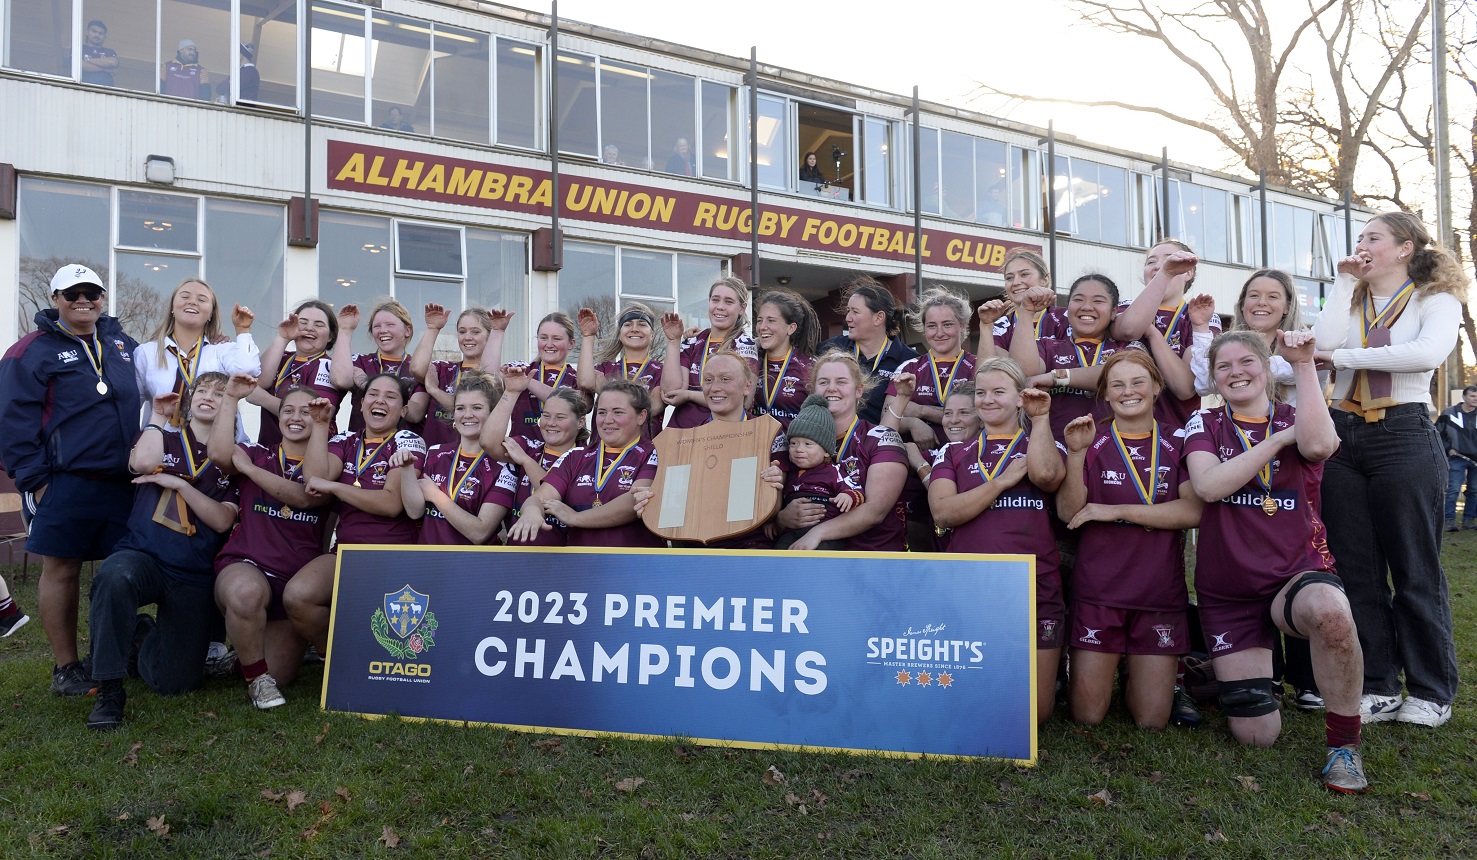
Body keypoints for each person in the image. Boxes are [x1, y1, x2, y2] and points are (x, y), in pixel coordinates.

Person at [1184, 330, 1367, 793]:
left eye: (1247, 362)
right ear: (1214, 379)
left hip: (1295, 573)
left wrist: (1304, 363)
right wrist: (1275, 440)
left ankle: (1344, 747)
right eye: (1223, 367)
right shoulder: (1202, 423)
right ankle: (1209, 675)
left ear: (1266, 369)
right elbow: (1208, 487)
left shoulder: (1297, 413)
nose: (1236, 372)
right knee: (1256, 736)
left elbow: (1320, 447)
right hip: (1228, 589)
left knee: (1331, 615)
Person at [1313, 211, 1466, 728]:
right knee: (1355, 567)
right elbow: (1320, 345)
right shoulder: (1352, 297)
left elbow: (1424, 355)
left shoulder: (1434, 299)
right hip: (1342, 431)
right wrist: (1341, 281)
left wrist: (1341, 356)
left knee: (1414, 567)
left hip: (1402, 431)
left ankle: (1430, 689)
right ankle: (1376, 684)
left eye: (1373, 238)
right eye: (1359, 238)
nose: (1362, 245)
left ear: (1404, 249)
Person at [0, 263, 142, 696]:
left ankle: (119, 651)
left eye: (92, 293)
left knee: (125, 568)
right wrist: (35, 481)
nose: (84, 300)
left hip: (124, 480)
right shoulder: (31, 350)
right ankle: (67, 667)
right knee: (62, 569)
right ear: (56, 298)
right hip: (62, 480)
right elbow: (12, 420)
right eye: (73, 293)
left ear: (103, 298)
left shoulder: (123, 344)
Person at [1056, 351, 1202, 730]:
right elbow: (1068, 513)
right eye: (1117, 385)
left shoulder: (1180, 439)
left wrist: (1115, 510)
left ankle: (1145, 671)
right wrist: (1075, 455)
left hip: (1157, 592)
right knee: (1087, 716)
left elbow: (1192, 512)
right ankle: (1110, 666)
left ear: (1156, 387)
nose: (1128, 392)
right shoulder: (1091, 437)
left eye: (1138, 382)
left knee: (1151, 721)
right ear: (1104, 394)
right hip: (1099, 591)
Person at [85, 374, 240, 730]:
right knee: (115, 575)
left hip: (192, 572)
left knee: (176, 683)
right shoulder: (163, 438)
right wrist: (156, 415)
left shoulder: (230, 458)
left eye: (219, 394)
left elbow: (220, 521)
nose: (208, 397)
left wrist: (176, 484)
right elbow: (142, 464)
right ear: (190, 399)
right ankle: (109, 689)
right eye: (202, 390)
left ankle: (140, 635)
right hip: (144, 556)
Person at [930, 358, 1065, 721]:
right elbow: (942, 512)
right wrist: (1001, 482)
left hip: (1034, 580)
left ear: (1020, 397)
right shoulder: (954, 452)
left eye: (999, 392)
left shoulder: (1043, 443)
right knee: (971, 702)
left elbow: (1048, 477)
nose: (987, 400)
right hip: (971, 581)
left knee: (1037, 714)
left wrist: (1039, 420)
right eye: (981, 392)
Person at [208, 375, 339, 709]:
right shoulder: (257, 451)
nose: (295, 417)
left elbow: (305, 498)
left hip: (294, 580)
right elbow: (220, 453)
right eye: (288, 411)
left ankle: (242, 660)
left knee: (281, 672)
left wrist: (251, 472)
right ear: (277, 418)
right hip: (246, 565)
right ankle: (258, 681)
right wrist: (232, 398)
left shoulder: (326, 468)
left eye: (305, 412)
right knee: (246, 594)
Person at [285, 373, 424, 655]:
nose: (380, 401)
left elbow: (390, 504)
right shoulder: (347, 439)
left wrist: (334, 487)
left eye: (390, 396)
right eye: (373, 394)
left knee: (387, 631)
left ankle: (361, 660)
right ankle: (339, 659)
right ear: (360, 404)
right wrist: (321, 424)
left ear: (405, 410)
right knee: (298, 596)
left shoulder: (408, 440)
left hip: (393, 556)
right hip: (346, 553)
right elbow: (314, 479)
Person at [771, 352, 908, 552]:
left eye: (841, 382)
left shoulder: (881, 437)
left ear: (859, 390)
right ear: (813, 391)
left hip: (872, 557)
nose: (831, 388)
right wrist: (781, 518)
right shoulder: (793, 440)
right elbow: (774, 499)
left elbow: (875, 511)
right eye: (823, 382)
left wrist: (818, 533)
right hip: (803, 554)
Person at [508, 379, 661, 548]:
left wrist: (575, 518)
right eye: (602, 412)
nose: (608, 420)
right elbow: (539, 498)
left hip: (635, 564)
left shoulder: (656, 453)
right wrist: (531, 513)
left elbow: (634, 501)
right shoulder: (576, 456)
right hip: (581, 566)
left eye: (618, 412)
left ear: (641, 416)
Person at [882, 286, 976, 549]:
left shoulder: (978, 365)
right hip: (917, 467)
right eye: (932, 326)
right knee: (920, 541)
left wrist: (919, 409)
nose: (939, 332)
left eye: (948, 324)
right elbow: (888, 418)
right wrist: (915, 421)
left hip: (965, 466)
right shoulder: (910, 366)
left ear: (963, 326)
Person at [1002, 273, 1146, 442]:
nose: (1087, 307)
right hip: (1054, 453)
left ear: (1114, 311)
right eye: (1078, 299)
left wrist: (1055, 377)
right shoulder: (1047, 346)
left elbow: (1120, 374)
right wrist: (1026, 311)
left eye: (1098, 301)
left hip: (1111, 455)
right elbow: (1023, 372)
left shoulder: (1126, 347)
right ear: (1068, 307)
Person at [1110, 239, 1219, 428]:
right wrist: (1165, 274)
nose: (1159, 266)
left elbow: (1185, 388)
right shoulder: (1126, 307)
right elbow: (1128, 330)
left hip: (1178, 432)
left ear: (1189, 272)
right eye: (1151, 262)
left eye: (1170, 260)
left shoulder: (1201, 315)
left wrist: (1152, 333)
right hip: (1119, 431)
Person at [133, 277, 259, 441]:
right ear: (172, 306)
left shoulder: (220, 351)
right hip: (162, 452)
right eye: (185, 297)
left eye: (202, 299)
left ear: (211, 313)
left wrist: (242, 330)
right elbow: (132, 406)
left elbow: (248, 370)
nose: (192, 302)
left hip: (215, 452)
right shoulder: (146, 353)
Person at [396, 371, 507, 545]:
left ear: (492, 413)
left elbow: (479, 533)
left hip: (474, 565)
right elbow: (414, 512)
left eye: (477, 408)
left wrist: (436, 496)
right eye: (460, 408)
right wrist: (406, 469)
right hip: (430, 562)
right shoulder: (435, 453)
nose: (467, 415)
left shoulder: (503, 465)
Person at [484, 368, 591, 547]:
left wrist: (526, 461)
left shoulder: (587, 458)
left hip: (564, 560)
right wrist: (511, 393)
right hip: (518, 554)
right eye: (546, 416)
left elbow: (555, 497)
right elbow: (488, 442)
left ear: (580, 422)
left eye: (560, 417)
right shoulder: (529, 446)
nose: (551, 423)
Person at [1188, 270, 1306, 404]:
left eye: (1272, 297)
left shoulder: (1301, 341)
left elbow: (1302, 367)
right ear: (1243, 305)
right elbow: (1204, 383)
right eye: (1254, 295)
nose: (1261, 302)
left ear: (1287, 307)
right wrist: (1201, 327)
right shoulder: (1227, 344)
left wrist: (1229, 368)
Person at [816, 276, 917, 425]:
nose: (848, 318)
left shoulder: (909, 360)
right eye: (848, 311)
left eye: (855, 312)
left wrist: (913, 423)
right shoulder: (831, 349)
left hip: (877, 444)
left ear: (878, 318)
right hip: (833, 442)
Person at [661, 276, 759, 428]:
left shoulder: (744, 344)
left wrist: (688, 395)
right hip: (683, 431)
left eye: (729, 302)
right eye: (715, 300)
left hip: (723, 432)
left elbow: (744, 400)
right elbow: (671, 391)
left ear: (742, 308)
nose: (720, 306)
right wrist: (674, 342)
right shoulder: (692, 341)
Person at [330, 300, 434, 436]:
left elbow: (415, 414)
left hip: (403, 450)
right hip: (361, 449)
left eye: (390, 325)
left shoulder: (417, 367)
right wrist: (345, 330)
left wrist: (366, 383)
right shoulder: (361, 361)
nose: (383, 330)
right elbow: (341, 380)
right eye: (377, 326)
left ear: (407, 331)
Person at [772, 395, 863, 550]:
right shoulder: (789, 473)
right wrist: (773, 523)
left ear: (827, 451)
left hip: (825, 534)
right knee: (780, 556)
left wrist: (848, 496)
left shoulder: (834, 471)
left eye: (808, 444)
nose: (799, 449)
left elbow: (857, 490)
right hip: (792, 532)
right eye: (793, 443)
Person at [255, 300, 340, 448]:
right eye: (303, 322)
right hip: (269, 451)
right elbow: (259, 382)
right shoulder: (280, 357)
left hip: (308, 456)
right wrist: (283, 337)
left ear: (331, 336)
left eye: (318, 325)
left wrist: (261, 397)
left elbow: (317, 414)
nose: (309, 328)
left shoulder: (328, 365)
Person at [425, 307, 508, 450]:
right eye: (462, 332)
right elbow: (415, 368)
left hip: (477, 459)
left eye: (475, 332)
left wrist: (434, 390)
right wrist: (432, 329)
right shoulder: (442, 368)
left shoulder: (500, 375)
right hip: (437, 457)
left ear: (489, 335)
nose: (467, 337)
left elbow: (470, 404)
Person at [489, 311, 577, 446]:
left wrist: (527, 381)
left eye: (556, 339)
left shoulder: (577, 378)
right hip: (522, 453)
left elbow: (569, 403)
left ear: (571, 343)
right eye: (543, 338)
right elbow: (490, 376)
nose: (549, 344)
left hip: (564, 457)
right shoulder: (521, 369)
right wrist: (497, 332)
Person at [577, 303, 664, 438]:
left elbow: (654, 407)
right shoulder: (606, 368)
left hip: (642, 452)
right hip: (602, 452)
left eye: (642, 324)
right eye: (628, 324)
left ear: (652, 334)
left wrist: (605, 389)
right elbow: (584, 382)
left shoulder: (660, 371)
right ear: (620, 334)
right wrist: (588, 336)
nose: (634, 329)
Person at [754, 289, 821, 429]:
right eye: (760, 320)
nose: (762, 327)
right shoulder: (752, 360)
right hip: (753, 448)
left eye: (771, 320)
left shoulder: (809, 367)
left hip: (792, 449)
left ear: (791, 328)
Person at [980, 249, 1070, 353]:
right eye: (1009, 278)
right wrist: (986, 325)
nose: (1015, 282)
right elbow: (987, 366)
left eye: (1024, 274)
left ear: (1045, 279)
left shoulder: (1066, 318)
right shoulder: (1000, 325)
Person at [1439, 385, 1477, 532]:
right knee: (1453, 489)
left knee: (1474, 490)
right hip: (1457, 458)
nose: (1475, 399)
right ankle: (1448, 521)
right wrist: (1448, 449)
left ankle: (1469, 521)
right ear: (1464, 397)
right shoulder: (1449, 413)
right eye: (1472, 396)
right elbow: (1439, 434)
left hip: (1476, 460)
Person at [80, 20, 119, 86]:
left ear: (105, 37)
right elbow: (79, 65)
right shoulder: (79, 49)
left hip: (106, 91)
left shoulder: (109, 51)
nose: (97, 35)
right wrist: (105, 69)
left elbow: (112, 63)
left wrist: (87, 60)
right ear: (87, 32)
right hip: (83, 89)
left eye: (101, 33)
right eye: (94, 31)